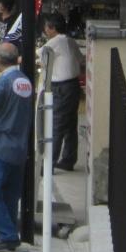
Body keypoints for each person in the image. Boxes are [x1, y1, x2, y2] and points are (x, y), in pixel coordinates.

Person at [0, 43, 34, 252]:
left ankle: (8, 234)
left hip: (0, 143)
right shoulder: (24, 81)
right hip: (19, 145)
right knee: (10, 193)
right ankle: (9, 229)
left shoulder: (4, 81)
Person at [44, 13, 82, 172]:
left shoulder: (55, 41)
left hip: (61, 87)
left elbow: (40, 54)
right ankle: (68, 159)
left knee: (57, 124)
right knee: (70, 124)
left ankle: (49, 164)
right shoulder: (70, 41)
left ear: (52, 28)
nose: (45, 30)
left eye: (46, 27)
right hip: (73, 85)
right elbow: (80, 59)